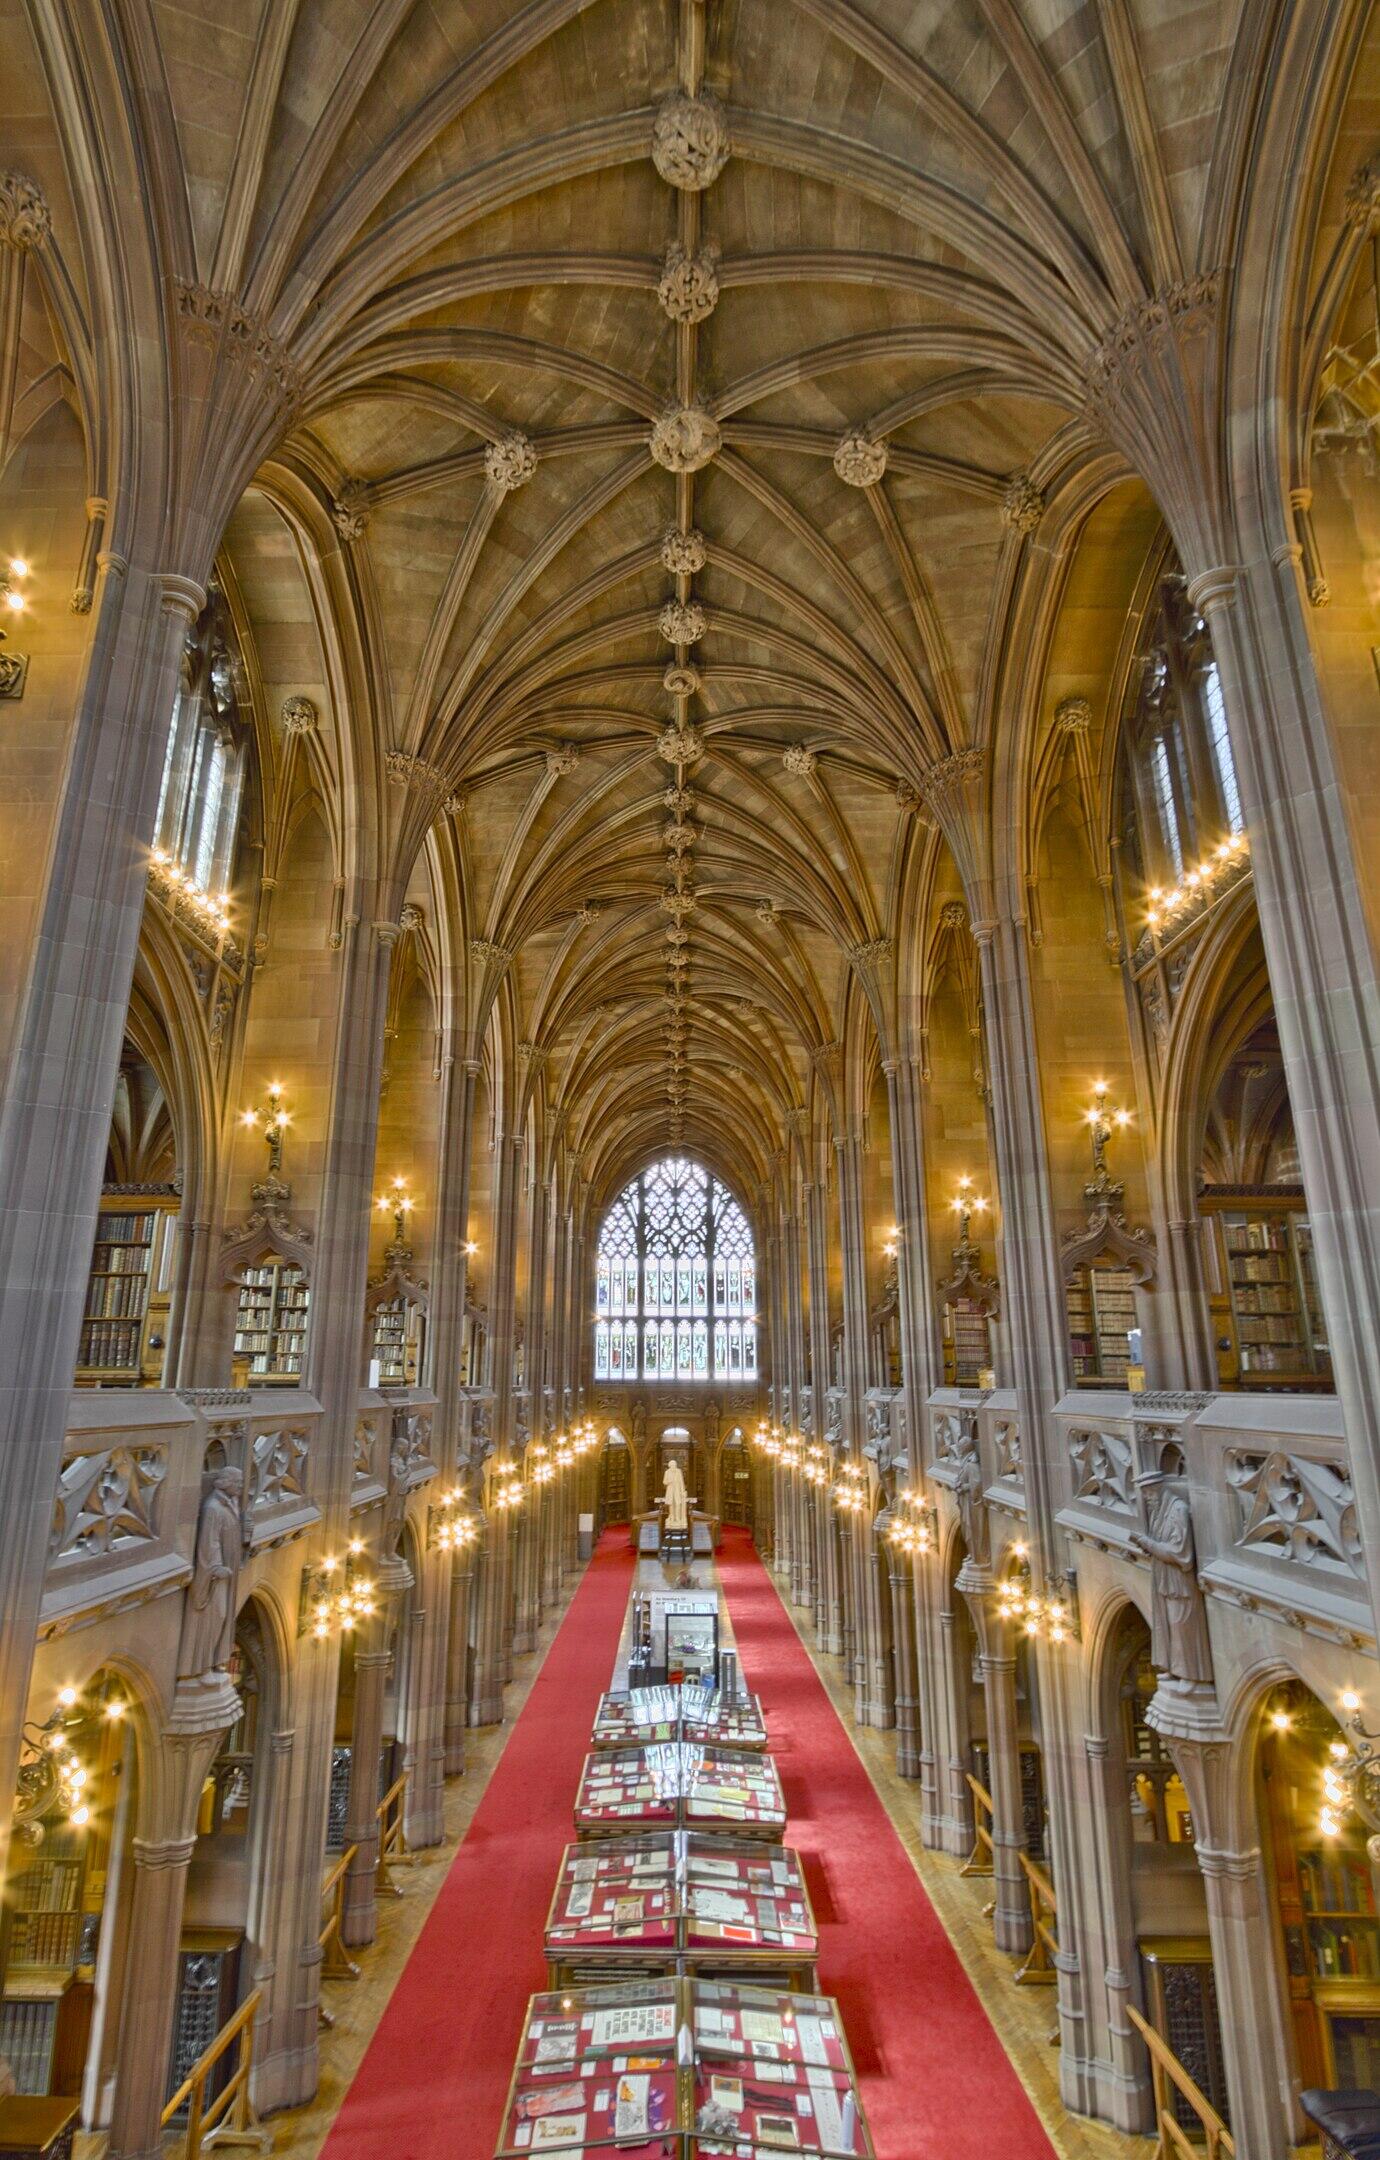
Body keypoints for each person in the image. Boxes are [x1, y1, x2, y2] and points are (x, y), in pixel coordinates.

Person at [662, 1456, 689, 1534]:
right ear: (670, 1466)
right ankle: (672, 1517)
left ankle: (677, 1518)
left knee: (678, 1504)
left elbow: (681, 1482)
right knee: (671, 1505)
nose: (674, 1466)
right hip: (670, 1491)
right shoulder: (667, 1472)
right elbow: (664, 1482)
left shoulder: (678, 1471)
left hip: (677, 1491)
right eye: (673, 1465)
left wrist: (683, 1491)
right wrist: (669, 1481)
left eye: (675, 1465)